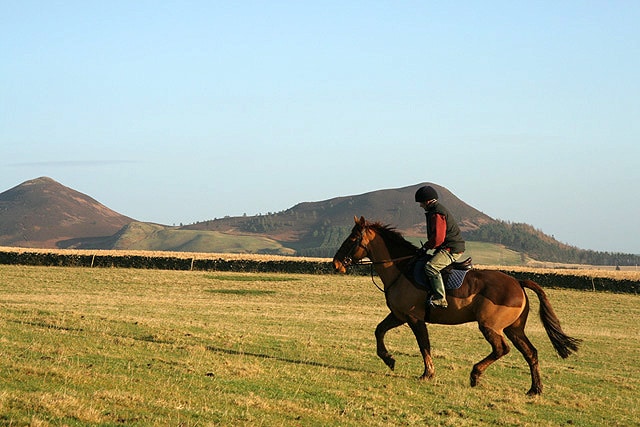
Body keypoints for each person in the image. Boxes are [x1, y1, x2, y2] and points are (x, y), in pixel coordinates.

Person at [414, 185, 466, 308]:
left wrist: (426, 247)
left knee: (431, 267)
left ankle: (440, 298)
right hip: (447, 247)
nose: (420, 205)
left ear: (427, 201)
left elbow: (438, 239)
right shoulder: (434, 210)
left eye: (421, 202)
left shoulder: (437, 213)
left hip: (451, 249)